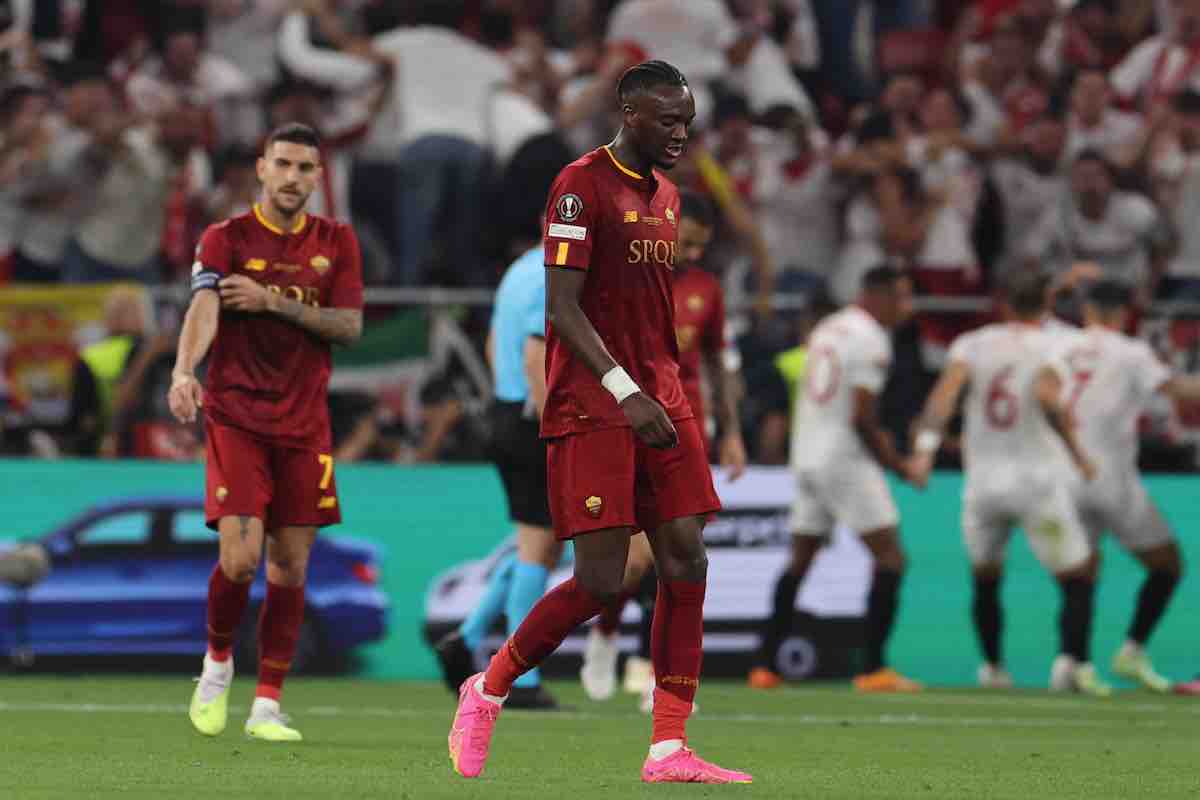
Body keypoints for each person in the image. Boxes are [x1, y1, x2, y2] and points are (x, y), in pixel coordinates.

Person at [447, 60, 752, 784]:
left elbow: (646, 312)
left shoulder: (669, 198)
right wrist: (624, 390)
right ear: (628, 113)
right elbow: (563, 308)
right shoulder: (579, 186)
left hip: (661, 395)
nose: (680, 134)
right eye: (667, 121)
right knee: (600, 580)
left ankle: (668, 746)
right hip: (595, 403)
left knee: (687, 559)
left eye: (687, 122)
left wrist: (663, 389)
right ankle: (488, 688)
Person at [168, 123, 364, 742]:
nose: (292, 177)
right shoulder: (225, 238)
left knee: (290, 565)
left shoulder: (337, 241)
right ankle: (217, 663)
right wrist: (184, 369)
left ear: (318, 177)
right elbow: (205, 305)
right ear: (262, 168)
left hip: (305, 425)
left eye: (305, 168)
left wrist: (275, 302)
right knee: (240, 558)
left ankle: (267, 705)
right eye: (283, 164)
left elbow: (349, 326)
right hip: (237, 417)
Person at [579, 190, 747, 707]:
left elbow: (718, 362)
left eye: (701, 247)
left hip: (687, 429)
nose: (693, 255)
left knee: (680, 559)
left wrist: (732, 432)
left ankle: (661, 676)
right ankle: (605, 636)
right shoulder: (626, 277)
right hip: (629, 426)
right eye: (687, 243)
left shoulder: (706, 290)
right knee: (631, 565)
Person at [910, 273, 1108, 695]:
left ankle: (993, 667)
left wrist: (925, 450)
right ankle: (1069, 662)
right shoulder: (1057, 344)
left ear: (1003, 304)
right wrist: (1078, 454)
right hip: (1038, 483)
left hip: (982, 484)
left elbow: (944, 396)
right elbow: (1047, 397)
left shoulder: (972, 344)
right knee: (1077, 575)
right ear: (1046, 307)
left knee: (985, 577)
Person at [749, 266, 924, 693]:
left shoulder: (828, 328)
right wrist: (899, 465)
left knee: (800, 559)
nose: (907, 307)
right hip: (843, 459)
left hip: (807, 455)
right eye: (902, 297)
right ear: (877, 295)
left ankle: (765, 666)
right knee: (891, 558)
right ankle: (874, 668)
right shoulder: (871, 338)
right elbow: (862, 417)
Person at [433, 245, 565, 710]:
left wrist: (504, 396)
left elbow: (494, 342)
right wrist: (553, 427)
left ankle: (465, 638)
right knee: (539, 547)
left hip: (510, 411)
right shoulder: (555, 272)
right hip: (534, 419)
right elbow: (536, 354)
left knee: (543, 544)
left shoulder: (519, 269)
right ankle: (521, 679)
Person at [1052, 281, 1198, 692]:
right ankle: (1132, 649)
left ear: (1088, 310)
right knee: (1167, 565)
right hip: (1111, 478)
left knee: (1080, 573)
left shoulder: (1060, 346)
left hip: (1062, 473)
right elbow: (1177, 391)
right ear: (1122, 313)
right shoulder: (1130, 351)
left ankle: (1072, 663)